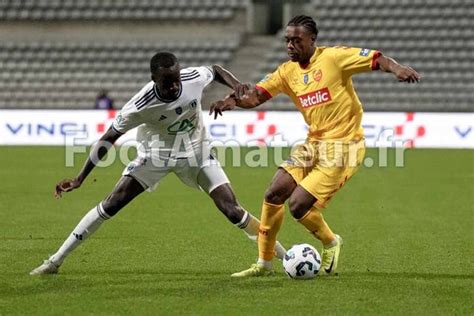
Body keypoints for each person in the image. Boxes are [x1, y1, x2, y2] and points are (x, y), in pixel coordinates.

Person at [30, 52, 286, 275]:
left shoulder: (191, 79)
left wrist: (237, 84)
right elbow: (108, 137)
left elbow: (216, 71)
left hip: (197, 153)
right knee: (112, 203)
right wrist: (80, 178)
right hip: (156, 156)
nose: (175, 86)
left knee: (232, 210)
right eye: (167, 82)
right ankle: (55, 260)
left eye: (176, 79)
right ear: (154, 80)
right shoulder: (139, 106)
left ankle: (286, 258)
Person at [210, 15, 420, 277]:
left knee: (298, 206)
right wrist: (232, 102)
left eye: (296, 41)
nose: (290, 46)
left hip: (345, 146)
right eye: (287, 40)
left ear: (312, 40)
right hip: (314, 143)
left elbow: (377, 58)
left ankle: (331, 241)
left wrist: (397, 68)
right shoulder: (287, 72)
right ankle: (263, 263)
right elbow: (257, 96)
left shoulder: (334, 57)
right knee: (274, 194)